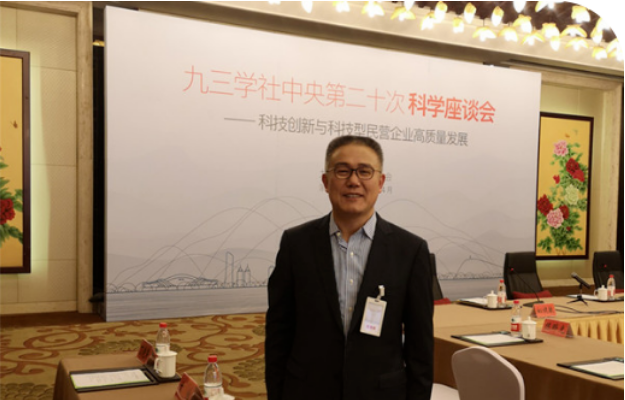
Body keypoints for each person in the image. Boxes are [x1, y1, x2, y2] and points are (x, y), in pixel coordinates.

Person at [265, 135, 433, 400]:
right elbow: (278, 333)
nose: (354, 181)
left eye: (365, 171)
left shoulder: (410, 250)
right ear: (326, 181)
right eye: (342, 171)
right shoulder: (295, 244)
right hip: (307, 391)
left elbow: (420, 347)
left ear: (381, 182)